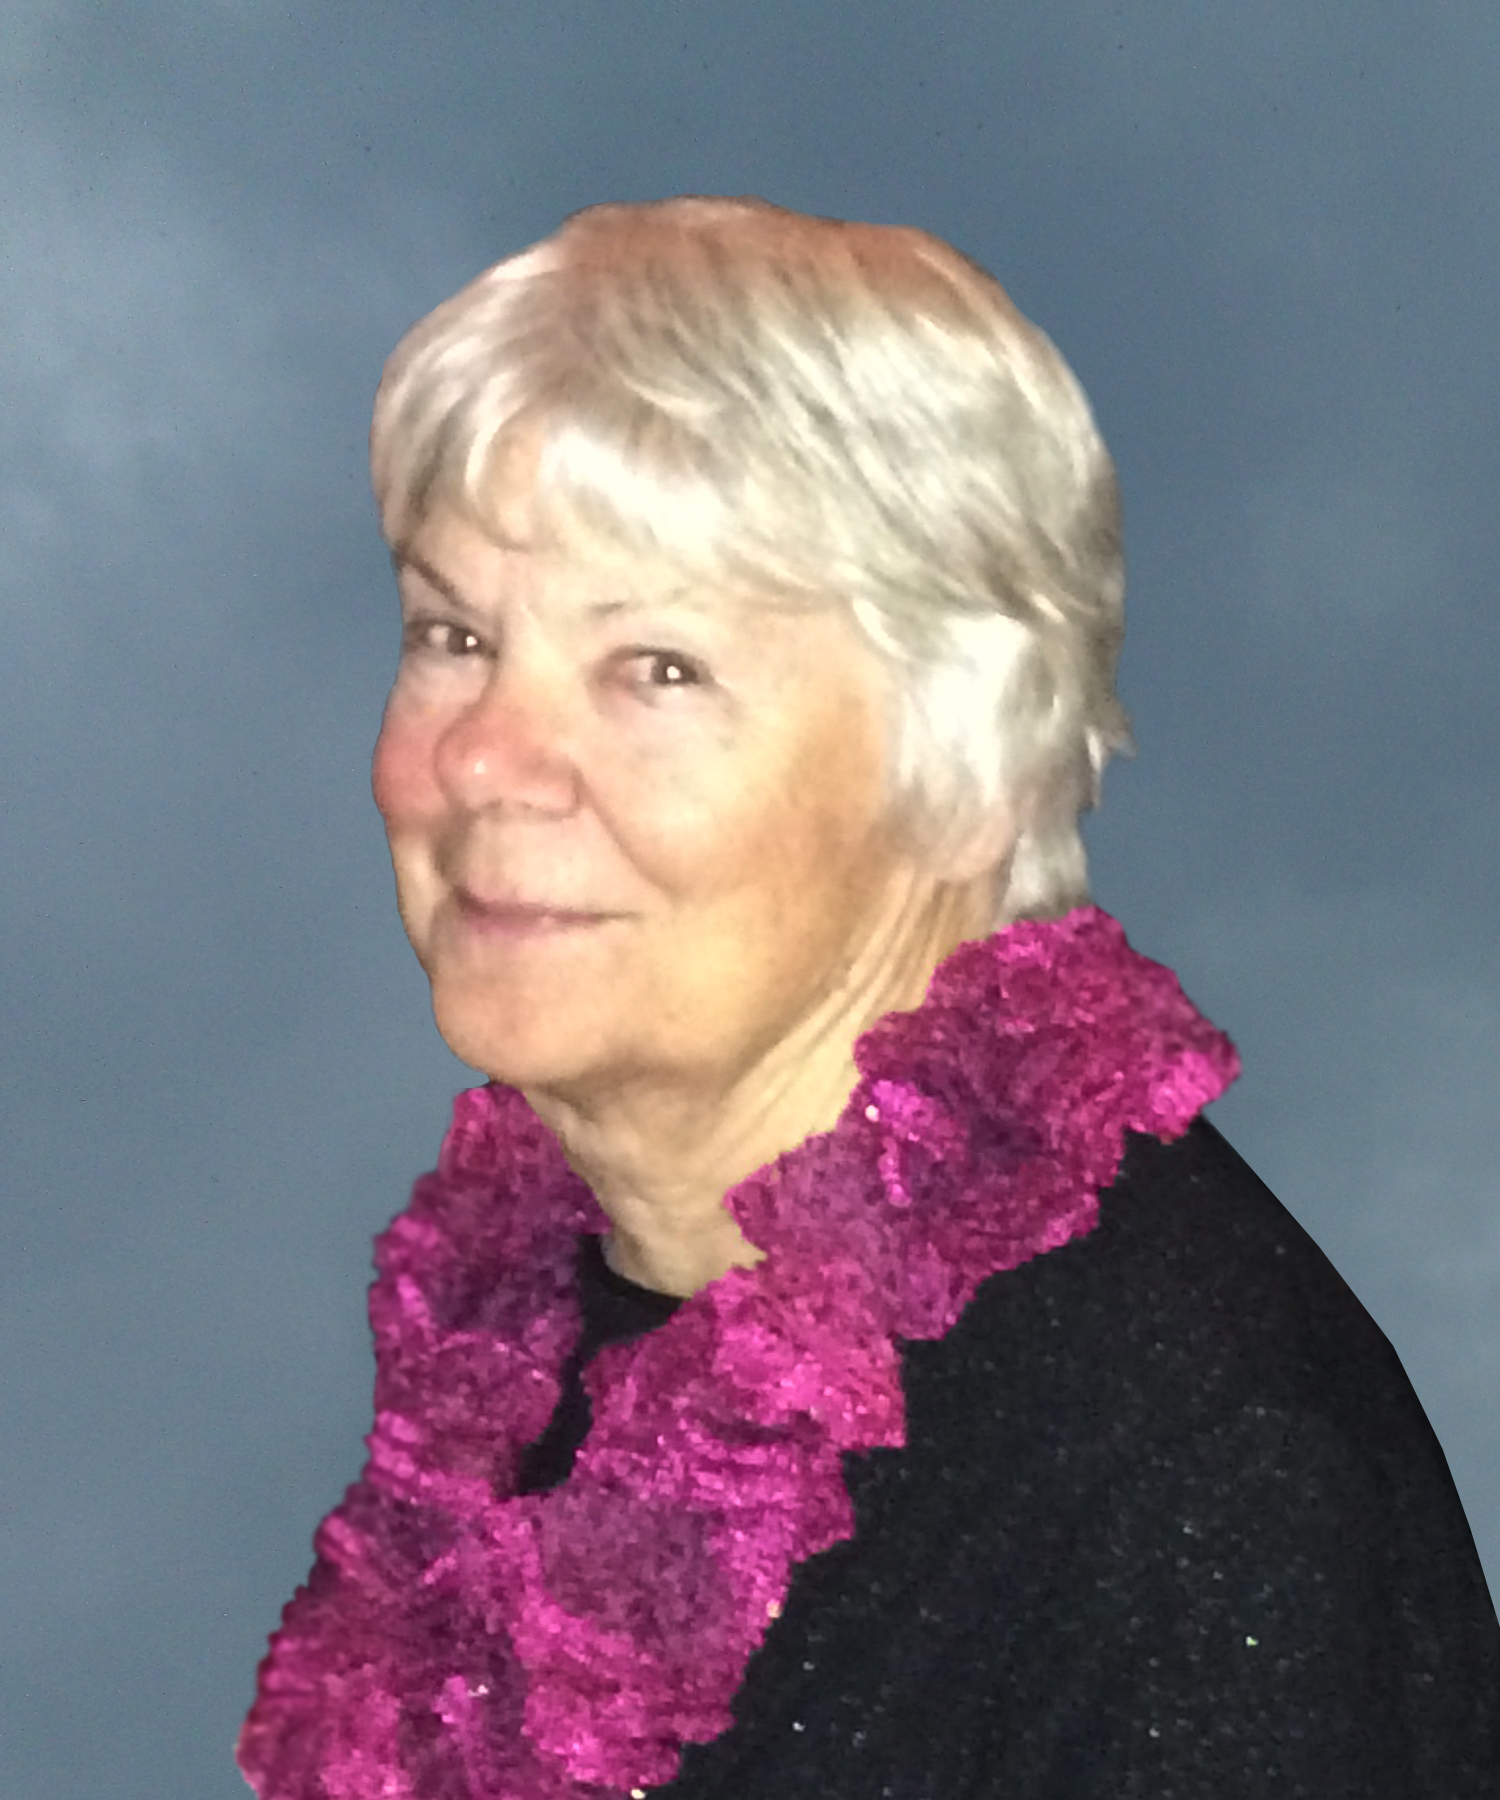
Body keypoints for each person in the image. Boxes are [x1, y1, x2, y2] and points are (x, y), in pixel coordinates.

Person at [237, 195, 1500, 1799]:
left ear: (970, 771)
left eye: (659, 668)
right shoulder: (544, 1324)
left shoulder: (1194, 1476)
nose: (483, 759)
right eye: (455, 633)